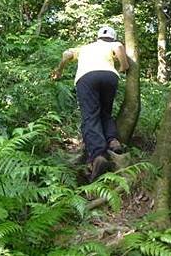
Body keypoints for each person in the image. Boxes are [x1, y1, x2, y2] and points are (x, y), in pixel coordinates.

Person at [50, 25, 129, 181]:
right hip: (110, 77)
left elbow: (66, 54)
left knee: (90, 116)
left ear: (98, 37)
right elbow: (119, 46)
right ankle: (112, 141)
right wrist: (123, 66)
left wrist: (59, 70)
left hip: (86, 78)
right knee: (106, 112)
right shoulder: (112, 44)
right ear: (112, 37)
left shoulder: (85, 48)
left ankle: (98, 154)